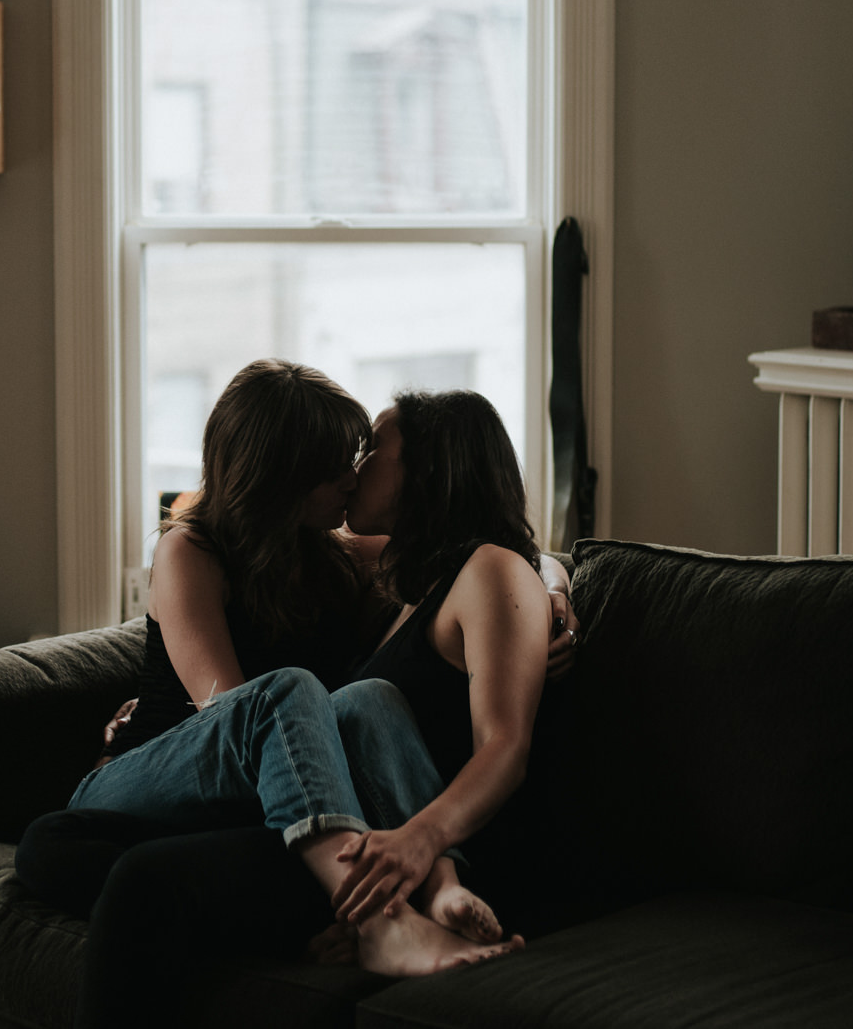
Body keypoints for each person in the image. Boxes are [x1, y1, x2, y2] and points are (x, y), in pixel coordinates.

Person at [57, 360, 548, 977]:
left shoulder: (340, 556)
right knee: (288, 691)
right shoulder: (190, 550)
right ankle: (382, 924)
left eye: (365, 455)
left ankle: (436, 885)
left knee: (370, 696)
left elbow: (494, 552)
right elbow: (237, 723)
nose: (352, 474)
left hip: (266, 799)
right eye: (339, 465)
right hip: (159, 772)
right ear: (285, 478)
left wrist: (552, 589)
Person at [325, 388, 563, 933]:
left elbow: (505, 747)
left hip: (470, 860)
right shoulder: (409, 583)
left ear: (428, 472)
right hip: (388, 856)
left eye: (371, 453)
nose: (353, 469)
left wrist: (419, 840)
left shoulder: (490, 571)